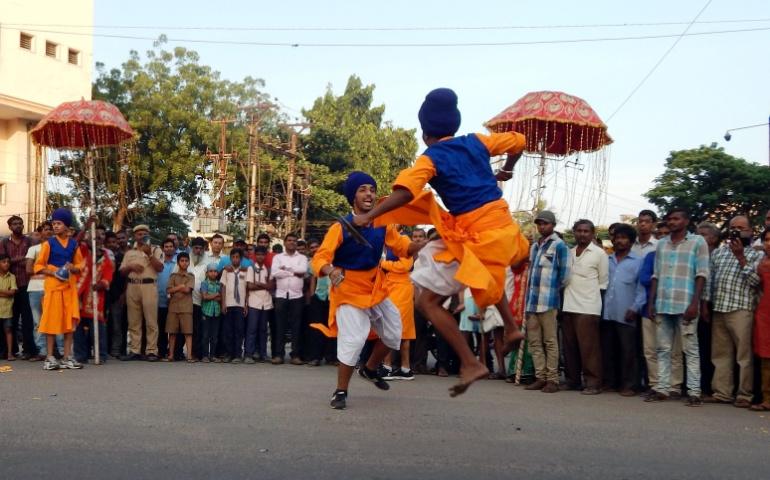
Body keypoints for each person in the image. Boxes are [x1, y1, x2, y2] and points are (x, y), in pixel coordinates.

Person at [351, 88, 529, 395]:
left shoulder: (430, 158)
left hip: (472, 233)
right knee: (486, 271)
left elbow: (406, 192)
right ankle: (512, 328)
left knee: (427, 302)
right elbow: (519, 141)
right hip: (502, 226)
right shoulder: (477, 141)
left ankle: (471, 362)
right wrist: (507, 170)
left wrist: (370, 215)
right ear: (454, 124)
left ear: (424, 133)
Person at [311, 171, 421, 409]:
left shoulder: (384, 223)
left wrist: (418, 245)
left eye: (371, 189)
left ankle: (370, 369)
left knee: (394, 334)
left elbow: (402, 246)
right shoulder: (339, 227)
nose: (369, 193)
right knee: (354, 339)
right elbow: (319, 258)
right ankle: (341, 391)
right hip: (348, 290)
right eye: (362, 189)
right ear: (353, 197)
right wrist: (330, 271)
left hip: (376, 288)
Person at [646, 208, 710, 406]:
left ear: (686, 221)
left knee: (690, 350)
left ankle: (694, 392)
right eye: (670, 219)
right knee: (663, 349)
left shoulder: (698, 242)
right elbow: (656, 274)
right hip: (664, 303)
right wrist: (651, 302)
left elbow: (702, 274)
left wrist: (695, 303)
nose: (672, 222)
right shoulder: (662, 244)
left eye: (677, 218)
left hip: (686, 304)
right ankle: (663, 389)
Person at [703, 216, 761, 407]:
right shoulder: (719, 253)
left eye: (741, 228)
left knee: (744, 356)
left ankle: (744, 395)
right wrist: (706, 304)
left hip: (741, 309)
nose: (736, 231)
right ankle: (722, 393)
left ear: (750, 231)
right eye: (733, 227)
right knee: (720, 354)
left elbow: (755, 282)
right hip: (719, 308)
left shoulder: (756, 255)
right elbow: (710, 281)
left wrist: (741, 258)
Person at [34, 208, 85, 370]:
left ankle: (67, 357)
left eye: (59, 223)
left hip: (69, 289)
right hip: (53, 288)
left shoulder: (74, 244)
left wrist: (73, 267)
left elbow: (80, 265)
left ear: (67, 226)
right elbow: (38, 265)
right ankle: (49, 357)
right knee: (51, 322)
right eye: (54, 223)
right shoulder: (48, 244)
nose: (55, 226)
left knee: (69, 323)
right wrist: (54, 272)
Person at [524, 210, 570, 393]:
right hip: (532, 302)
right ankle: (540, 376)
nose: (542, 227)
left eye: (546, 224)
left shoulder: (559, 246)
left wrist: (554, 292)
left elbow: (565, 275)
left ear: (553, 225)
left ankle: (552, 379)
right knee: (534, 342)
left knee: (550, 341)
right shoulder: (535, 246)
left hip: (548, 301)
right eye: (540, 224)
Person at [562, 219, 607, 394]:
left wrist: (598, 309)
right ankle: (572, 380)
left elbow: (603, 282)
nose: (582, 234)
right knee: (570, 347)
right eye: (579, 231)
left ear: (592, 233)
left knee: (589, 349)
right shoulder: (569, 252)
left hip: (588, 307)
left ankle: (593, 383)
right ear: (574, 232)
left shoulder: (599, 254)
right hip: (568, 305)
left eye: (586, 231)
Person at [601, 224, 645, 396]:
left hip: (627, 312)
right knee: (609, 349)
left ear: (631, 241)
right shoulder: (607, 260)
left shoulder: (638, 262)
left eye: (624, 238)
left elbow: (641, 289)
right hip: (607, 312)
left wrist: (635, 307)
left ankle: (629, 385)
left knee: (628, 351)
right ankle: (611, 382)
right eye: (617, 238)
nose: (619, 241)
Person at [119, 224, 164, 362]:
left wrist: (149, 254)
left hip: (149, 286)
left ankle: (151, 351)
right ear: (135, 236)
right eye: (139, 234)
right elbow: (121, 272)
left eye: (144, 233)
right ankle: (135, 350)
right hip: (132, 286)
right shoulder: (129, 253)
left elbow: (160, 267)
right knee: (133, 321)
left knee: (151, 320)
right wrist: (130, 266)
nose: (142, 236)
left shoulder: (155, 249)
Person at [73, 232, 114, 364]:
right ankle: (80, 355)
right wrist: (85, 228)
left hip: (96, 296)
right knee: (77, 327)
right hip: (79, 294)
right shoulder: (83, 251)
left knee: (98, 328)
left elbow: (108, 276)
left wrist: (102, 284)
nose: (96, 241)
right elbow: (75, 243)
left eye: (99, 238)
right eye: (93, 238)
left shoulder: (106, 258)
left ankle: (101, 355)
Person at [271, 233, 308, 365]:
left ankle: (295, 355)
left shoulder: (302, 258)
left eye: (294, 241)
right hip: (281, 295)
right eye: (289, 240)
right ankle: (278, 355)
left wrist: (285, 269)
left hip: (297, 296)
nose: (292, 242)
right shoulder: (278, 257)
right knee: (279, 326)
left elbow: (302, 271)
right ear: (285, 242)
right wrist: (293, 272)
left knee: (296, 326)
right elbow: (274, 273)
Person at [380, 245, 416, 381]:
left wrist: (383, 263)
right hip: (390, 287)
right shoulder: (385, 246)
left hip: (401, 288)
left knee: (399, 330)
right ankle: (402, 369)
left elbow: (405, 266)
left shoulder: (404, 243)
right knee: (393, 329)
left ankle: (391, 367)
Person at [0, 215, 33, 359]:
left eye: (20, 223)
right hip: (9, 285)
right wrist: (21, 259)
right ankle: (10, 350)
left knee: (27, 319)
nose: (18, 226)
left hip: (26, 284)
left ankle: (27, 350)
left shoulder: (29, 241)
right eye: (15, 224)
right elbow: (3, 261)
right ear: (9, 227)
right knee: (10, 320)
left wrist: (15, 261)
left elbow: (31, 261)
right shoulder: (4, 243)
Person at [26, 222, 60, 361]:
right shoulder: (34, 249)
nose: (49, 232)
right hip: (35, 288)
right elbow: (28, 269)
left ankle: (60, 350)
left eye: (51, 229)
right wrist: (50, 271)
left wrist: (42, 269)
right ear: (40, 234)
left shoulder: (58, 249)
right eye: (46, 230)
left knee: (55, 319)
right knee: (38, 322)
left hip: (53, 288)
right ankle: (42, 351)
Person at [750, 229, 770, 411]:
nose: (769, 243)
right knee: (765, 357)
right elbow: (753, 282)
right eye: (767, 240)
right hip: (765, 312)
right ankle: (767, 398)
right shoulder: (761, 261)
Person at [164, 252, 195, 362]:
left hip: (186, 307)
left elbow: (188, 290)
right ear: (178, 262)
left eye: (186, 261)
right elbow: (168, 290)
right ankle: (171, 355)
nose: (184, 263)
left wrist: (176, 288)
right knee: (172, 332)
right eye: (182, 261)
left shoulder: (191, 276)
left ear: (189, 262)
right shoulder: (173, 276)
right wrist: (181, 286)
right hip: (173, 307)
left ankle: (189, 355)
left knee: (188, 332)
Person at [220, 248, 247, 363]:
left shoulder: (245, 271)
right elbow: (223, 287)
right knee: (228, 330)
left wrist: (246, 304)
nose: (235, 259)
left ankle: (237, 354)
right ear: (230, 258)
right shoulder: (226, 271)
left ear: (241, 259)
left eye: (237, 257)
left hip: (240, 305)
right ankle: (229, 354)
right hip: (229, 304)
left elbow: (247, 289)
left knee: (239, 330)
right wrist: (223, 303)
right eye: (233, 257)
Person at [246, 246, 272, 363]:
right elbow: (250, 286)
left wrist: (258, 283)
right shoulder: (251, 268)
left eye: (263, 254)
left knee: (263, 330)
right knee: (252, 329)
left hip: (266, 303)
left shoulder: (268, 269)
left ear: (265, 255)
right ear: (255, 256)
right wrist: (264, 285)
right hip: (253, 302)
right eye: (258, 255)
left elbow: (271, 286)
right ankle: (249, 354)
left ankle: (263, 354)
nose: (260, 257)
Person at [156, 238, 178, 359]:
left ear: (174, 248)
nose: (169, 248)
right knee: (161, 327)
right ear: (163, 248)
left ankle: (174, 352)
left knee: (174, 328)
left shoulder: (178, 263)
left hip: (175, 301)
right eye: (166, 246)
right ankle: (161, 351)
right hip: (160, 300)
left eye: (171, 246)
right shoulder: (159, 263)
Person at [199, 263, 222, 363]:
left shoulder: (219, 284)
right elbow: (204, 297)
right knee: (205, 335)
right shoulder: (204, 283)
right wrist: (216, 294)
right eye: (211, 271)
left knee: (214, 336)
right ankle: (205, 355)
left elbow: (221, 298)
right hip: (206, 312)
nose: (213, 273)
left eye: (215, 271)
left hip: (216, 312)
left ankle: (212, 355)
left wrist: (210, 295)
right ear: (207, 273)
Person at [0, 254, 17, 361]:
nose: (6, 264)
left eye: (8, 262)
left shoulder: (12, 276)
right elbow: (9, 292)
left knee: (8, 330)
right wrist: (6, 292)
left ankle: (10, 353)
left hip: (7, 309)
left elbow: (12, 292)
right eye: (3, 261)